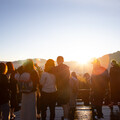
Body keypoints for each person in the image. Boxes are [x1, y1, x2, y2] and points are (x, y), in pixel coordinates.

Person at [55, 56, 70, 120]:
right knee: (67, 104)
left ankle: (66, 117)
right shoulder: (67, 68)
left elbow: (56, 78)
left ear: (57, 61)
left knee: (64, 104)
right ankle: (67, 116)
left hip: (61, 88)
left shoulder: (57, 68)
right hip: (67, 87)